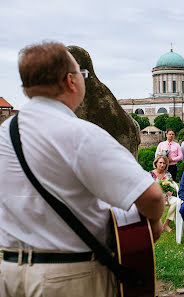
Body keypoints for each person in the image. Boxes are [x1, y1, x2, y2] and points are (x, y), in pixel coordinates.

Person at [0, 41, 164, 297]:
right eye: (82, 74)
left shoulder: (3, 134)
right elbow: (151, 196)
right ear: (71, 81)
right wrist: (153, 223)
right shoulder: (79, 133)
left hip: (9, 272)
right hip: (68, 277)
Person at [151, 155, 180, 232]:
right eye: (160, 162)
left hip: (167, 197)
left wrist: (168, 195)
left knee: (177, 201)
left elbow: (171, 188)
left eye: (164, 163)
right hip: (154, 198)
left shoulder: (168, 174)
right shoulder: (150, 174)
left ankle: (166, 224)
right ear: (156, 163)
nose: (162, 165)